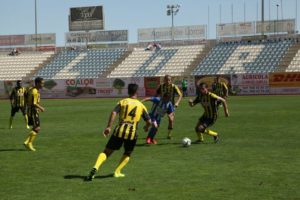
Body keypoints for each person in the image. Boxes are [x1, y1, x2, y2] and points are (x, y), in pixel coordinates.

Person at [85, 83, 152, 181]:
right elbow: (149, 121)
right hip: (132, 133)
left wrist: (109, 127)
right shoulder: (141, 105)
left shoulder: (123, 102)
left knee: (107, 152)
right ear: (136, 92)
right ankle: (117, 172)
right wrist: (146, 127)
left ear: (128, 91)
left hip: (119, 130)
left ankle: (96, 167)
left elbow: (114, 112)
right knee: (128, 153)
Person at [156, 75, 182, 139]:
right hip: (162, 106)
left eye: (169, 80)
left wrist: (177, 102)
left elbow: (180, 95)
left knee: (171, 119)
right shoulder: (161, 86)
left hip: (171, 106)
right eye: (166, 80)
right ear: (164, 80)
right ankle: (153, 134)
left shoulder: (174, 86)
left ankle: (169, 135)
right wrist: (157, 101)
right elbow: (157, 94)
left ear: (171, 80)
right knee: (157, 120)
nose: (168, 81)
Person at [23, 77, 45, 152]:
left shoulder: (31, 89)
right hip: (33, 111)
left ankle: (26, 142)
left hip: (31, 110)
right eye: (42, 83)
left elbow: (25, 97)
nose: (43, 84)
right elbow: (34, 103)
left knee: (35, 128)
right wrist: (41, 108)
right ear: (38, 83)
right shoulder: (34, 91)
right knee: (37, 128)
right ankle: (29, 143)